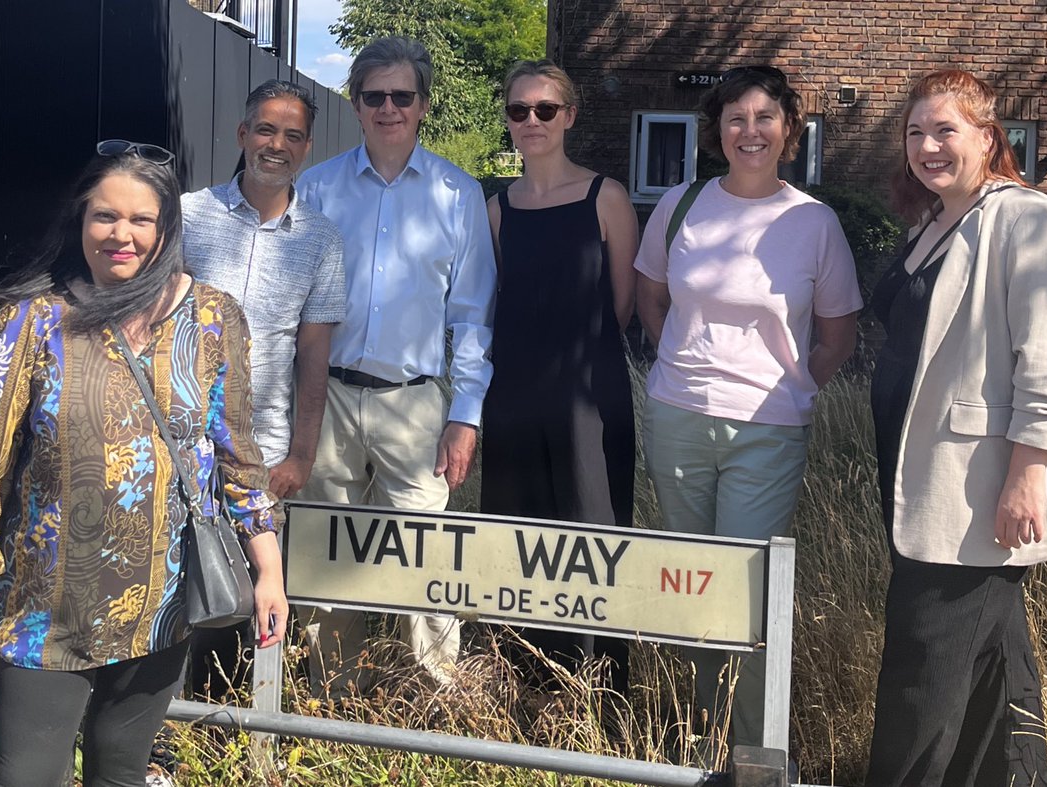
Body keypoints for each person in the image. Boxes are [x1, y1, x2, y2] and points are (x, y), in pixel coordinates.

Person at [0, 142, 287, 787]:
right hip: (45, 612)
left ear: (167, 227)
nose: (122, 235)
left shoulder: (210, 318)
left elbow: (236, 453)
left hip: (165, 609)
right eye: (104, 217)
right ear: (80, 220)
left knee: (120, 775)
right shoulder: (30, 323)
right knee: (24, 776)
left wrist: (268, 569)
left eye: (141, 219)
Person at [866, 69, 1047, 787]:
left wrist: (1030, 475)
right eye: (916, 132)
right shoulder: (937, 221)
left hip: (974, 493)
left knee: (922, 672)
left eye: (947, 130)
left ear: (987, 136)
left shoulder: (1029, 221)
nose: (929, 145)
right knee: (1000, 676)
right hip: (925, 477)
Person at [633, 66, 862, 747]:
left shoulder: (813, 222)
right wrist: (681, 359)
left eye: (765, 117)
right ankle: (702, 729)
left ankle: (754, 745)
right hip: (676, 418)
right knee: (691, 584)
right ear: (718, 131)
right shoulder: (681, 203)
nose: (750, 130)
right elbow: (650, 296)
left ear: (789, 129)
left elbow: (837, 332)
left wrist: (791, 384)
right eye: (736, 117)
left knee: (749, 584)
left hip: (768, 431)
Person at [296, 36, 496, 693]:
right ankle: (329, 699)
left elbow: (471, 316)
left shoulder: (456, 194)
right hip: (326, 399)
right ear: (355, 105)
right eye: (374, 95)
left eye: (401, 96)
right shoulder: (317, 189)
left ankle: (441, 702)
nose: (388, 108)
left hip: (415, 402)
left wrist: (465, 415)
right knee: (327, 554)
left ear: (423, 105)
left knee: (427, 558)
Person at [181, 79, 346, 701]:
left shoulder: (322, 241)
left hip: (263, 452)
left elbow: (313, 356)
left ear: (306, 147)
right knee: (173, 600)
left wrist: (302, 454)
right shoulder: (190, 216)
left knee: (250, 602)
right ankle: (160, 737)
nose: (278, 145)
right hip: (176, 442)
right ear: (242, 134)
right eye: (267, 130)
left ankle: (231, 741)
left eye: (293, 135)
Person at [478, 60, 637, 689]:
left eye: (546, 109)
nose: (532, 121)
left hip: (588, 400)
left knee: (591, 538)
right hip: (512, 397)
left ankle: (597, 695)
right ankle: (522, 685)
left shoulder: (608, 197)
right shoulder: (495, 209)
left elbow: (621, 307)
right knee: (517, 538)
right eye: (520, 110)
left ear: (569, 115)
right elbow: (493, 302)